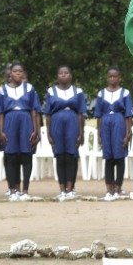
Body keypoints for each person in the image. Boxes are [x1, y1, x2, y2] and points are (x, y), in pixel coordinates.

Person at [0, 64, 42, 201]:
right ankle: (13, 189)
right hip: (9, 121)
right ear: (10, 73)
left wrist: (35, 130)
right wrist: (0, 131)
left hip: (26, 121)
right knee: (11, 155)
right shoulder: (1, 91)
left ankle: (25, 190)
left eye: (21, 71)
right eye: (15, 71)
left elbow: (35, 111)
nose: (18, 73)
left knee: (26, 155)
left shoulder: (30, 88)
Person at [42, 66, 85, 200]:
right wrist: (48, 133)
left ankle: (70, 188)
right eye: (60, 73)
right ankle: (61, 189)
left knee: (72, 155)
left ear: (71, 75)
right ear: (57, 76)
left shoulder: (78, 91)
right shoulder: (51, 91)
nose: (63, 75)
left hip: (73, 123)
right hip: (56, 124)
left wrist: (81, 133)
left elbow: (80, 113)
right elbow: (48, 114)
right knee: (60, 156)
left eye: (66, 73)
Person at [93, 68, 133, 200]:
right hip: (105, 124)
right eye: (110, 76)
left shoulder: (125, 93)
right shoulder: (101, 93)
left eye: (115, 76)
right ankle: (109, 187)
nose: (112, 79)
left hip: (119, 123)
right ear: (107, 78)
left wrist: (128, 133)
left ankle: (118, 186)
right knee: (108, 157)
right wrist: (99, 133)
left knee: (119, 156)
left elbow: (128, 115)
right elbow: (98, 115)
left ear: (119, 77)